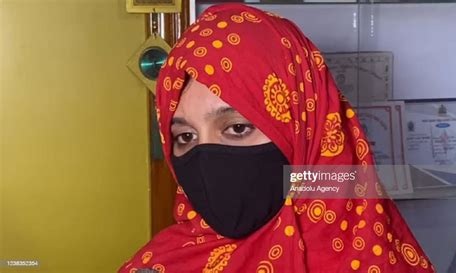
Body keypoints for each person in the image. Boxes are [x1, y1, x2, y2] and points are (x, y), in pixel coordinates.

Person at [119, 3, 436, 273]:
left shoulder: (376, 259)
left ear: (306, 132)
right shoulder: (160, 264)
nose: (205, 161)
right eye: (185, 136)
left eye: (237, 128)